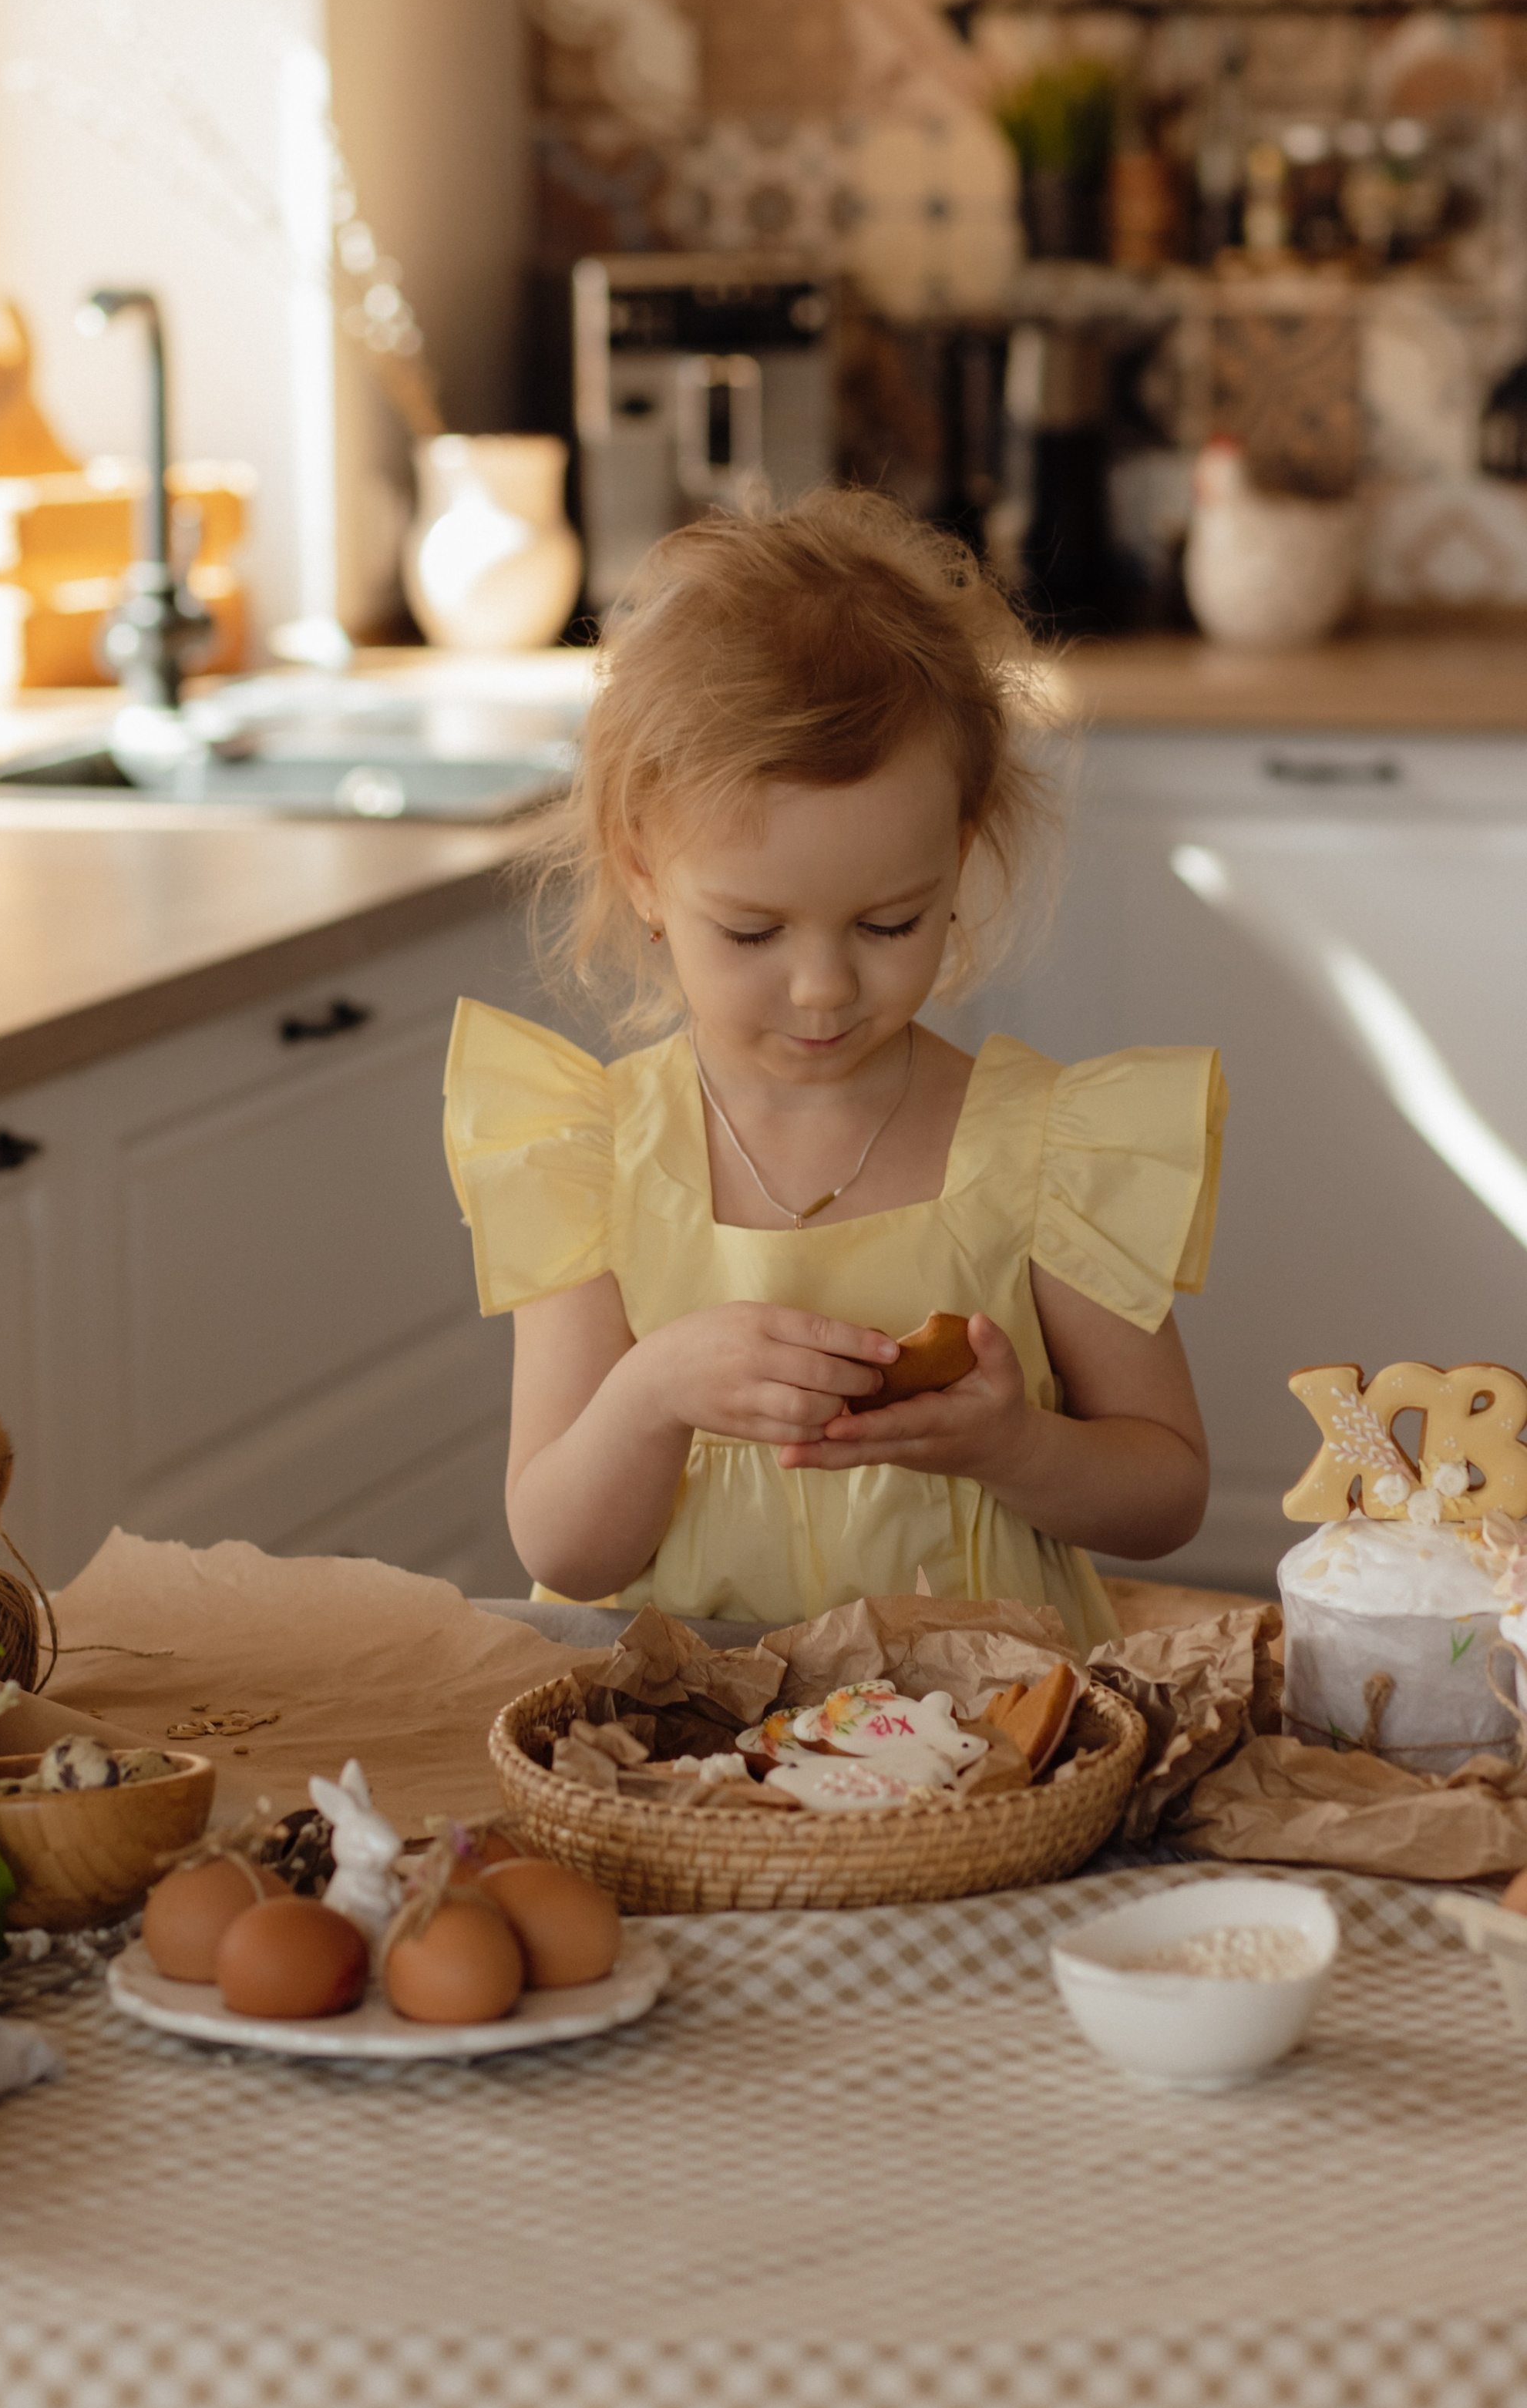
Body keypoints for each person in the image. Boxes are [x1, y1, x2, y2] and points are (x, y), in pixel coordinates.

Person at [442, 489, 1225, 1651]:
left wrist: (1019, 1447)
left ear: (956, 858)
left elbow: (1167, 1492)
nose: (823, 987)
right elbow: (561, 1549)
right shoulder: (587, 1157)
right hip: (690, 1770)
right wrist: (653, 1394)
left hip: (987, 1758)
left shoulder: (1049, 1151)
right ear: (644, 872)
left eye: (890, 924)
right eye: (754, 934)